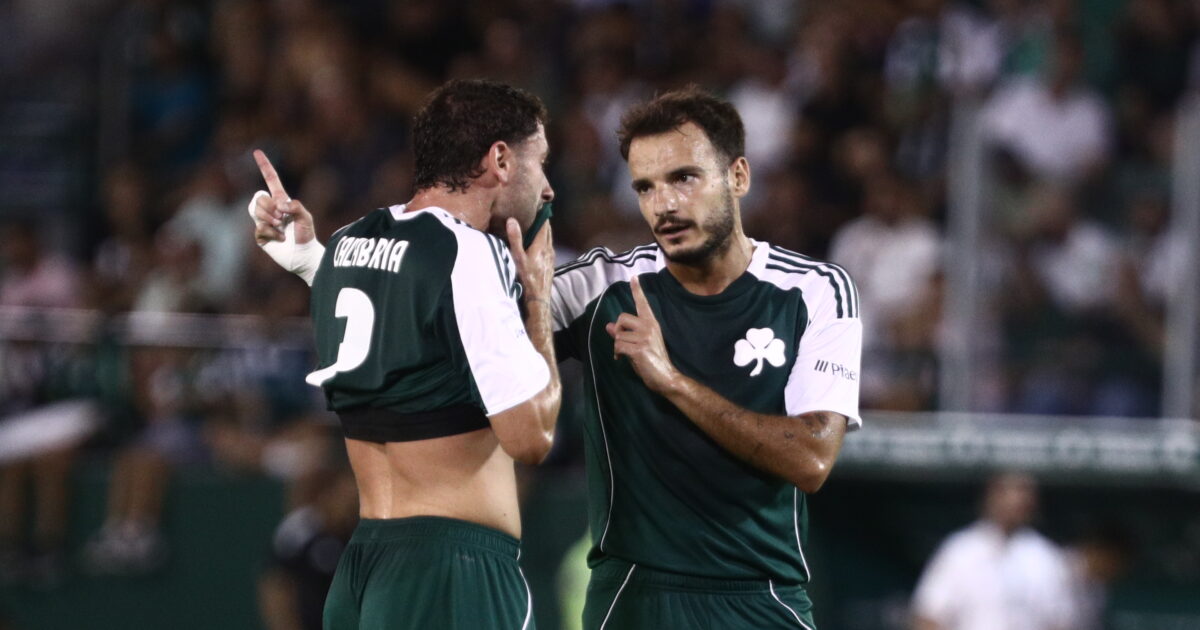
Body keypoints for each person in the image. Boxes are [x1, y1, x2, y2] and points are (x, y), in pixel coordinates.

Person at [255, 86, 861, 629]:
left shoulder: (816, 290)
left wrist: (672, 381)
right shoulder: (600, 286)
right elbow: (435, 308)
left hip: (763, 598)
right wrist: (322, 262)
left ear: (738, 176)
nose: (664, 205)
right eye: (645, 187)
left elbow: (811, 458)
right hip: (629, 597)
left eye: (684, 178)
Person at [250, 79, 562, 630]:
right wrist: (537, 297)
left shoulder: (348, 243)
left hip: (364, 567)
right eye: (540, 163)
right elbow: (530, 437)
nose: (549, 188)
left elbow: (401, 317)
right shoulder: (468, 251)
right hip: (453, 577)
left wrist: (310, 260)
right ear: (500, 160)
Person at [910, 472, 1074, 630]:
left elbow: (1060, 621)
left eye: (1023, 492)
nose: (1015, 500)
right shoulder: (960, 550)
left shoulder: (1045, 555)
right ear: (991, 495)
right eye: (1006, 491)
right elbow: (928, 615)